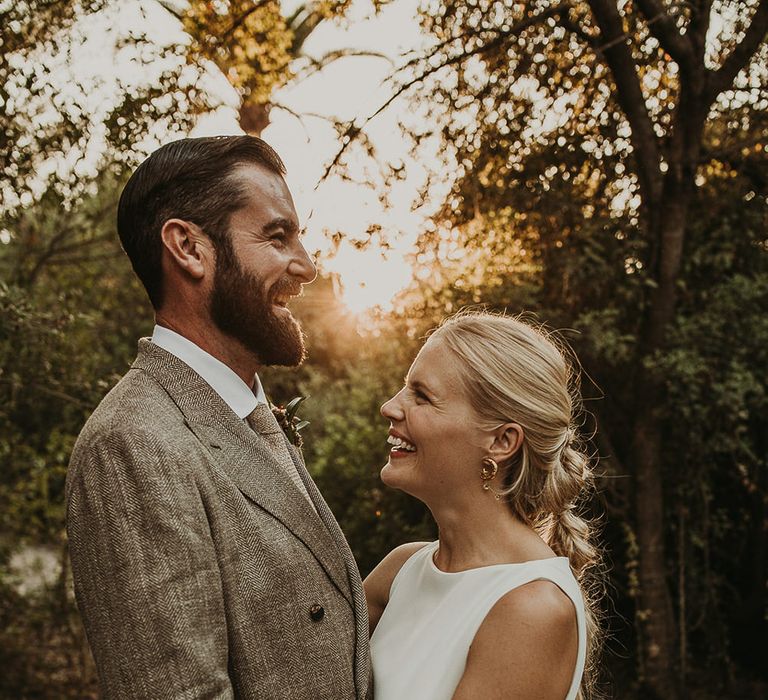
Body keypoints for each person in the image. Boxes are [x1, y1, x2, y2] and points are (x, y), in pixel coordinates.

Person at [65, 135, 371, 699]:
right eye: (277, 237)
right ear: (189, 248)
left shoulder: (246, 410)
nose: (305, 266)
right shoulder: (133, 444)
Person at [365, 311, 603, 700]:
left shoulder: (533, 608)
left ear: (501, 442)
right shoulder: (400, 571)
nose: (390, 407)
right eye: (404, 388)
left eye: (421, 396)